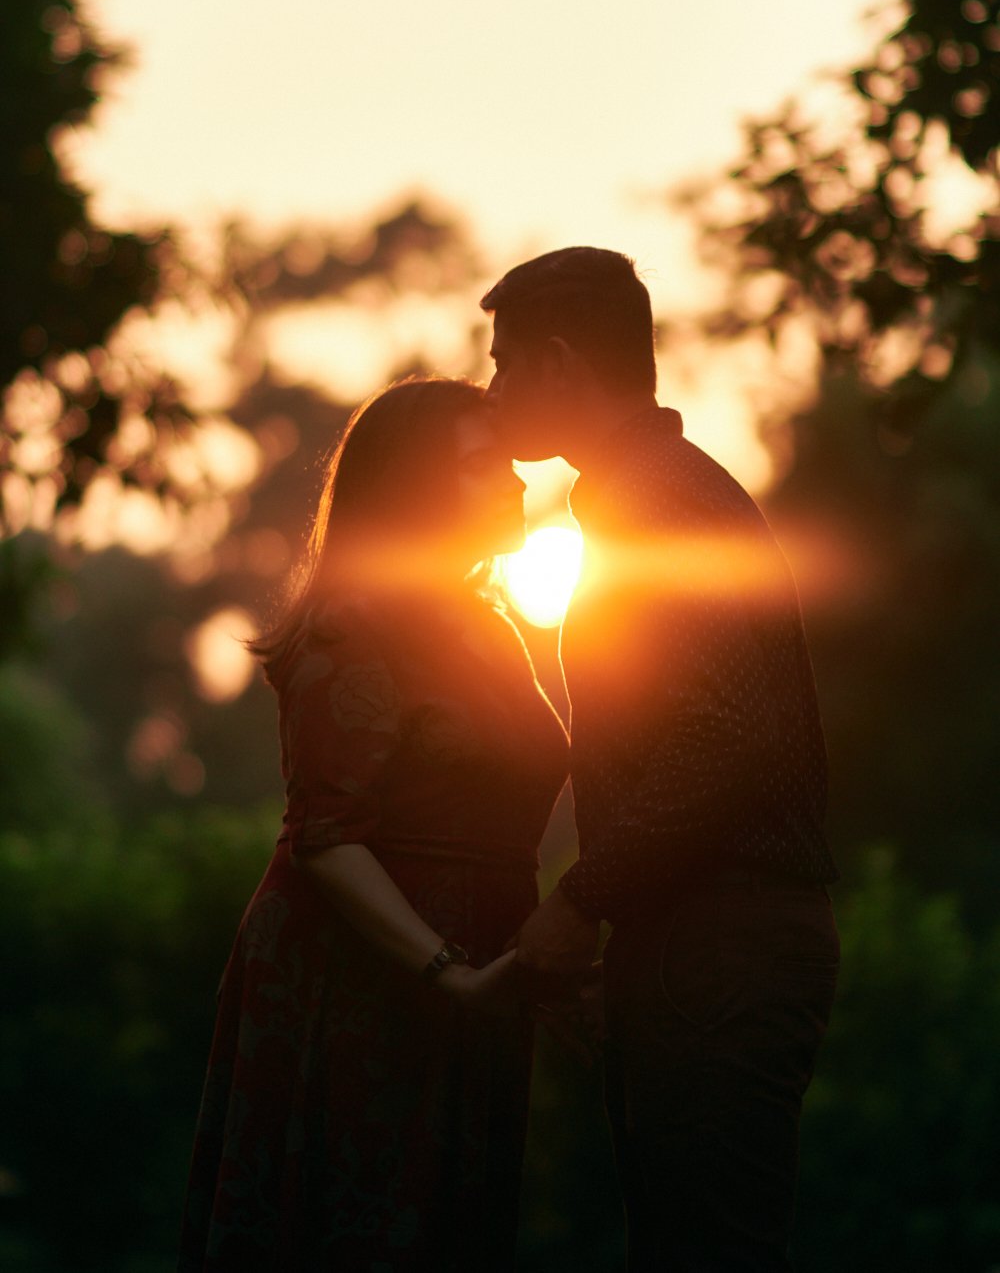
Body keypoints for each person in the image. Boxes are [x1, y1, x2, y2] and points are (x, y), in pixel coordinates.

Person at [481, 247, 840, 1272]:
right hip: (698, 941)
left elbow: (724, 737)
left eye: (506, 365)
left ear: (557, 365)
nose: (496, 390)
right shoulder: (648, 497)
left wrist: (582, 896)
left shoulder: (658, 504)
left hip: (720, 941)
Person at [177, 377, 568, 1273]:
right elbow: (326, 837)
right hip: (362, 973)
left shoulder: (493, 624)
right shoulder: (350, 632)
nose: (513, 482)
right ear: (418, 489)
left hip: (479, 964)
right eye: (481, 465)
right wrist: (445, 971)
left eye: (507, 462)